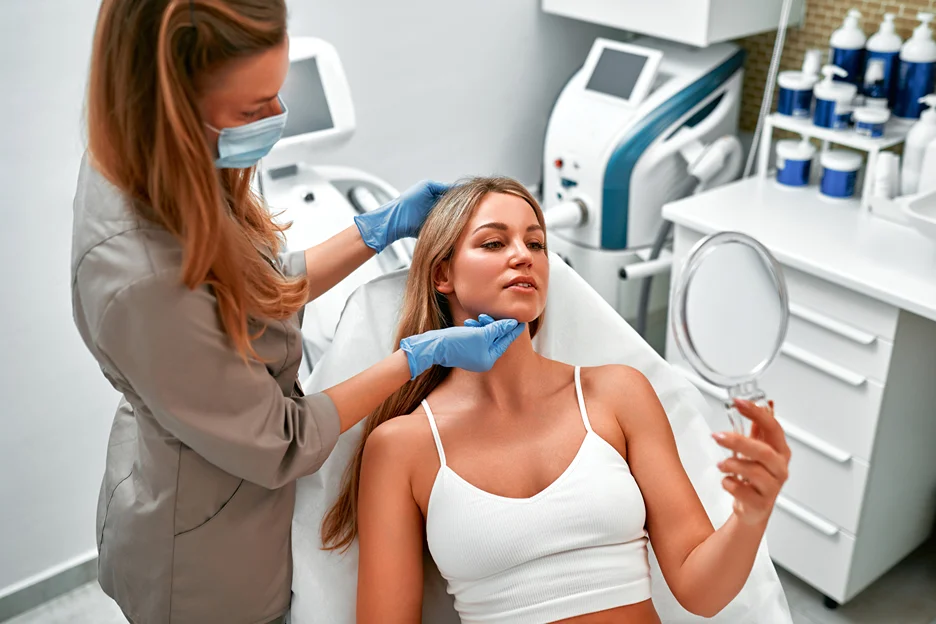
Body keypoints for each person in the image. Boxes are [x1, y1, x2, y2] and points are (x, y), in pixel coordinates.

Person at [72, 2, 525, 622]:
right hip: (206, 558)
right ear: (171, 110)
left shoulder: (171, 162)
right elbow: (281, 440)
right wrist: (421, 356)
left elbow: (252, 288)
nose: (277, 119)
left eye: (277, 94)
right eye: (253, 110)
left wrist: (377, 229)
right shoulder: (141, 276)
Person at [321, 177, 792, 623]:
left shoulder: (617, 394)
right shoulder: (400, 446)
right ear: (442, 273)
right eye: (493, 242)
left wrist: (750, 518)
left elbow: (699, 590)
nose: (523, 256)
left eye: (536, 243)